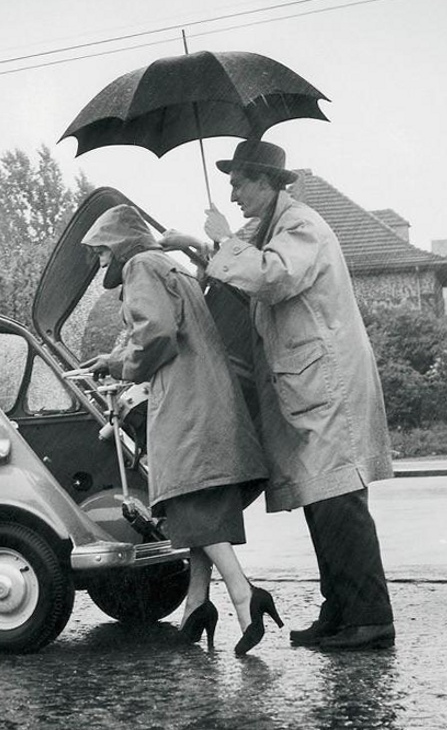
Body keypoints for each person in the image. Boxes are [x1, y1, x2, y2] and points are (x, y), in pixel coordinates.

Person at [162, 140, 395, 650]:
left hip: (327, 386)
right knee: (322, 500)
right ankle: (340, 614)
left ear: (268, 182)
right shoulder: (273, 229)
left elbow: (273, 275)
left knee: (337, 502)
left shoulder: (300, 225)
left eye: (240, 182)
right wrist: (200, 248)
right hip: (312, 386)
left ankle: (368, 619)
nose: (233, 191)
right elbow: (246, 276)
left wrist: (221, 239)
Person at [80, 203, 279, 655]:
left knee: (186, 499)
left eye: (101, 251)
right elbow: (171, 327)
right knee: (198, 500)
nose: (100, 261)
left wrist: (125, 367)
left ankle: (245, 594)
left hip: (184, 398)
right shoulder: (172, 267)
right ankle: (196, 605)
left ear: (119, 243)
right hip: (209, 392)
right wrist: (112, 360)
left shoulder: (140, 266)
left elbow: (156, 334)